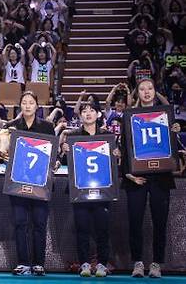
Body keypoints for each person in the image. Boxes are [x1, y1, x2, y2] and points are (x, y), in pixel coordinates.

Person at [122, 79, 180, 278]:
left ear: (155, 92)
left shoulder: (166, 117)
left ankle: (156, 263)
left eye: (150, 88)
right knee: (135, 222)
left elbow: (174, 150)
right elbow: (124, 149)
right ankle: (137, 262)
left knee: (160, 222)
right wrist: (129, 175)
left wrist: (175, 132)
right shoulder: (129, 117)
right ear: (137, 93)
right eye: (142, 89)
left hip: (160, 179)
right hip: (136, 179)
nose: (146, 92)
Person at [60, 101, 117, 277]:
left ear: (98, 114)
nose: (88, 114)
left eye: (92, 110)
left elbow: (114, 163)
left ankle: (101, 264)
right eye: (85, 111)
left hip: (103, 189)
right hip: (80, 190)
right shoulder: (72, 136)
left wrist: (116, 154)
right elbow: (64, 163)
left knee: (103, 229)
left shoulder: (107, 136)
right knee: (82, 229)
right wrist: (64, 151)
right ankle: (84, 263)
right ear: (80, 115)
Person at [5, 91, 56, 276]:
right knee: (20, 223)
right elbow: (4, 153)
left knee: (39, 223)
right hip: (17, 182)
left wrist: (55, 162)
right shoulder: (11, 127)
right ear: (20, 106)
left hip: (40, 183)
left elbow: (53, 154)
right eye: (24, 102)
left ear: (37, 106)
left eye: (31, 102)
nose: (27, 106)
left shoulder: (47, 127)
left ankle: (38, 263)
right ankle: (23, 262)